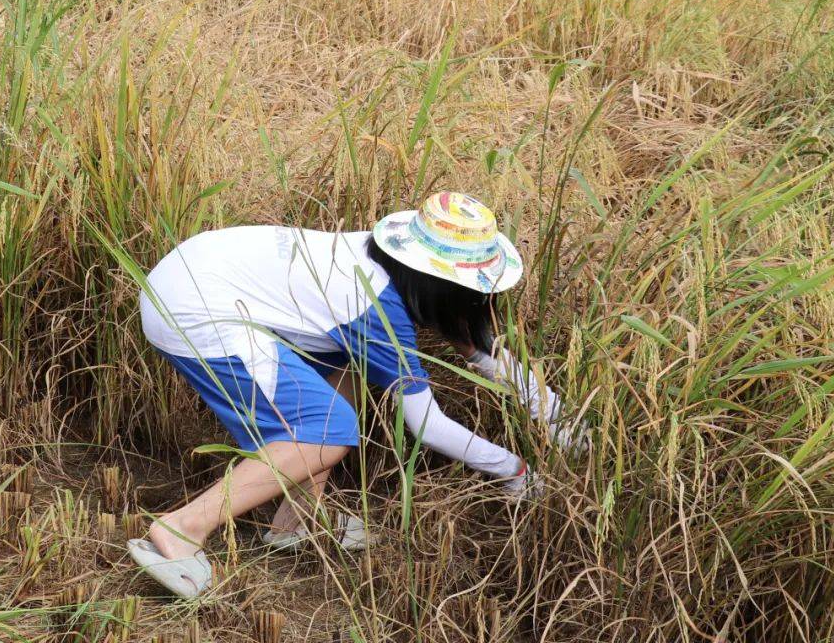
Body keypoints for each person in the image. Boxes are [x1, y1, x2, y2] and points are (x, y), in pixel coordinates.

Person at [127, 192, 568, 598]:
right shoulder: (373, 304)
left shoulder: (387, 265)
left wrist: (559, 418)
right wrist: (514, 469)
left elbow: (479, 350)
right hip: (194, 307)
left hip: (203, 274)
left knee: (347, 372)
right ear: (446, 287)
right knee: (326, 432)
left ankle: (297, 521)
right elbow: (427, 425)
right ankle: (182, 529)